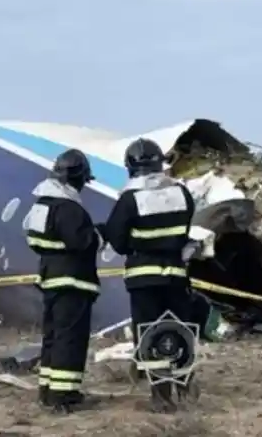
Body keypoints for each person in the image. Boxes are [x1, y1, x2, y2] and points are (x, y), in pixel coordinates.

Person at [103, 137, 197, 413]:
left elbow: (117, 241)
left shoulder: (130, 199)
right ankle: (185, 383)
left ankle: (161, 395)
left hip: (144, 278)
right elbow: (186, 229)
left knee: (150, 333)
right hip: (176, 275)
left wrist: (136, 242)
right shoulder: (181, 193)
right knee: (180, 330)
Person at [23, 148, 102, 414]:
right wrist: (99, 235)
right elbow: (83, 242)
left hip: (50, 279)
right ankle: (63, 395)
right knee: (71, 338)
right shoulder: (69, 208)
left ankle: (47, 389)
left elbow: (33, 240)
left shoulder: (41, 206)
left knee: (53, 336)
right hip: (73, 283)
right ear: (78, 178)